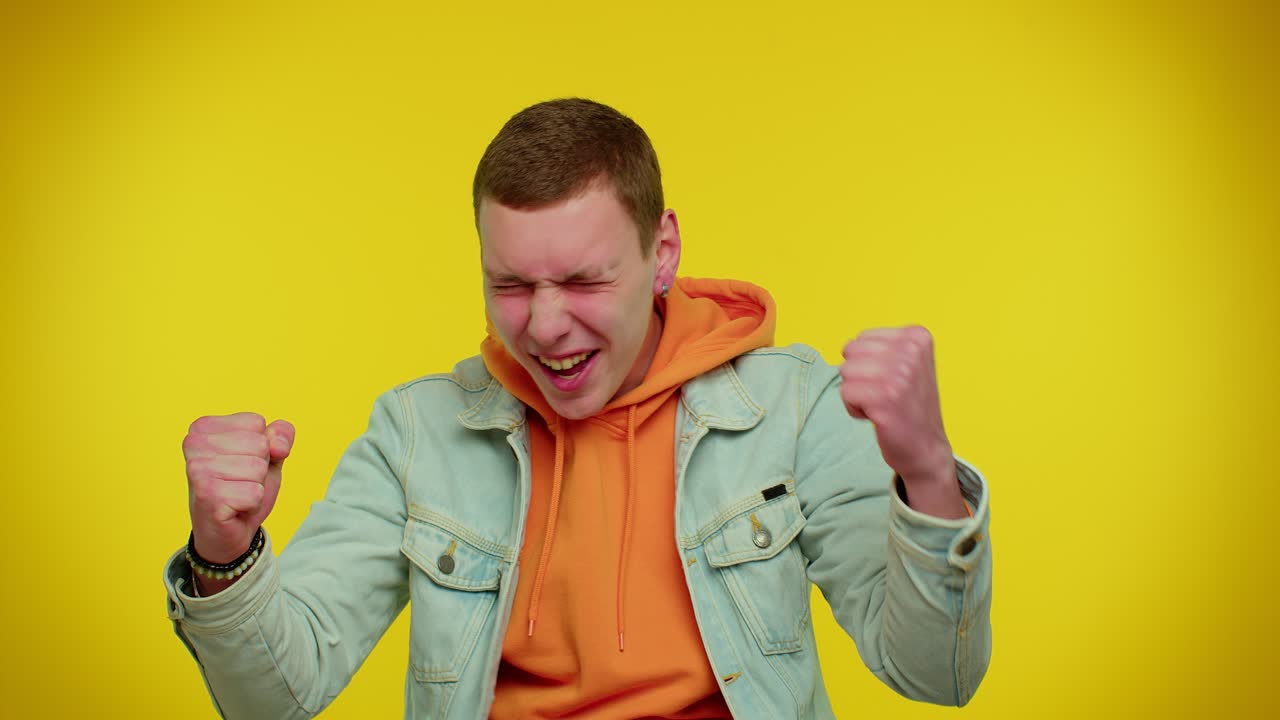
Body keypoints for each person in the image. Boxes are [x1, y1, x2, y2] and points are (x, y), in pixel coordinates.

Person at [163, 97, 992, 720]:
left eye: (584, 281)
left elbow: (937, 675)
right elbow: (276, 698)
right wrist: (223, 555)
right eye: (510, 285)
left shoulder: (794, 406)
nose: (545, 325)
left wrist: (927, 472)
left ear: (662, 252)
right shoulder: (415, 435)